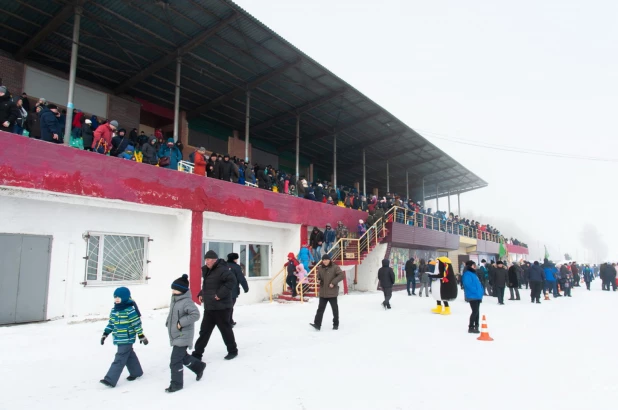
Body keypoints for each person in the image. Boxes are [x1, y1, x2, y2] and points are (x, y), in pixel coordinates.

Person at [192, 250, 238, 361]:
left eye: (208, 259)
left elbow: (232, 281)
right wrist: (201, 293)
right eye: (205, 259)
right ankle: (197, 354)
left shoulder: (222, 269)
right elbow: (208, 286)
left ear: (215, 260)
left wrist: (220, 294)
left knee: (225, 330)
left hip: (222, 307)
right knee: (204, 331)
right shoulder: (208, 271)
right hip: (210, 307)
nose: (206, 262)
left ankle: (232, 351)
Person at [99, 287, 148, 387]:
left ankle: (110, 379)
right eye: (115, 297)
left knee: (120, 358)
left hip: (127, 338)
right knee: (129, 355)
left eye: (119, 297)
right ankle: (136, 372)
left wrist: (141, 335)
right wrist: (105, 334)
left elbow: (136, 324)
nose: (116, 299)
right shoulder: (114, 310)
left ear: (125, 297)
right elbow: (111, 324)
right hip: (118, 337)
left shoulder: (129, 310)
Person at [165, 274, 206, 393]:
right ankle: (198, 367)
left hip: (183, 335)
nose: (173, 291)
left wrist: (181, 323)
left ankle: (176, 384)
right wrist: (168, 322)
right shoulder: (175, 299)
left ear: (182, 290)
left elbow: (195, 315)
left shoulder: (186, 302)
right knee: (182, 357)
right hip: (177, 333)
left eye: (175, 289)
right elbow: (174, 314)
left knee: (175, 361)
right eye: (172, 289)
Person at [310, 254, 344, 331]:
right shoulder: (321, 268)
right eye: (323, 260)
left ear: (329, 260)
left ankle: (335, 324)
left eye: (326, 260)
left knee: (334, 309)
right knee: (320, 309)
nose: (325, 261)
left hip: (332, 292)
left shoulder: (335, 267)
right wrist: (318, 279)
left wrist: (333, 282)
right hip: (323, 292)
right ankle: (317, 324)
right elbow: (318, 276)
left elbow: (341, 275)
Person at [227, 253, 249, 327]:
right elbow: (241, 278)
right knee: (230, 306)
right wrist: (245, 288)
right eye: (236, 259)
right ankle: (228, 321)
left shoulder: (222, 266)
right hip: (233, 290)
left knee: (225, 306)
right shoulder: (236, 267)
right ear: (234, 259)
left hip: (222, 290)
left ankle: (229, 320)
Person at [461, 260, 483, 334]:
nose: (475, 266)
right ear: (470, 266)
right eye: (473, 265)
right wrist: (476, 291)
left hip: (477, 295)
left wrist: (481, 291)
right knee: (475, 311)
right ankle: (471, 327)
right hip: (472, 295)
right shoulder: (467, 274)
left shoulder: (474, 274)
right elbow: (468, 285)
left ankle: (476, 325)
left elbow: (478, 284)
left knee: (477, 312)